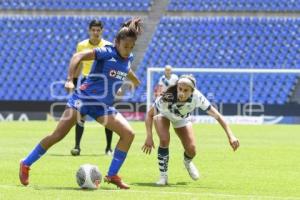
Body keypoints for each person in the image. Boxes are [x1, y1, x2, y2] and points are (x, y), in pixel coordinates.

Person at [19, 18, 143, 189]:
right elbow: (78, 56)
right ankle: (26, 163)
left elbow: (126, 68)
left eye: (131, 47)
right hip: (83, 99)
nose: (128, 50)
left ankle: (112, 175)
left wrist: (135, 81)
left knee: (128, 134)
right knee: (58, 135)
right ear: (116, 43)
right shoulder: (107, 52)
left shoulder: (128, 57)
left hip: (102, 107)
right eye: (125, 46)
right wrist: (70, 79)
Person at [142, 74, 240, 185]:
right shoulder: (167, 96)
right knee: (164, 140)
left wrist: (231, 136)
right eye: (180, 89)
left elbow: (217, 116)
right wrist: (149, 136)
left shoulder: (197, 97)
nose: (182, 93)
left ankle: (187, 162)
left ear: (192, 91)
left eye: (185, 90)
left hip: (181, 119)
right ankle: (163, 177)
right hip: (163, 115)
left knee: (192, 150)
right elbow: (149, 115)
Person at [71, 19, 114, 156]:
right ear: (89, 30)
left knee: (108, 114)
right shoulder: (81, 45)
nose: (95, 33)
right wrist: (74, 82)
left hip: (103, 83)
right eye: (93, 30)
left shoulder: (108, 45)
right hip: (86, 81)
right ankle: (77, 146)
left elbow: (112, 66)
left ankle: (108, 148)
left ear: (102, 31)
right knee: (80, 113)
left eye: (98, 30)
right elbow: (78, 64)